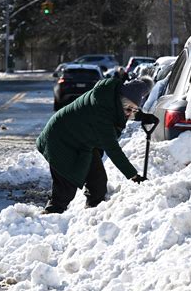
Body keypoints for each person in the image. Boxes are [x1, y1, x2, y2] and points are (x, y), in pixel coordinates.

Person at [37, 77, 151, 214]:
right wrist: (133, 175)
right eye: (129, 110)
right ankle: (49, 216)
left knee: (98, 182)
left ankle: (92, 215)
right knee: (66, 187)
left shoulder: (112, 100)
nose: (130, 114)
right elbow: (113, 150)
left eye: (134, 110)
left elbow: (123, 111)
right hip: (60, 140)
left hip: (81, 141)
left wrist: (142, 117)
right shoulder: (102, 113)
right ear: (119, 101)